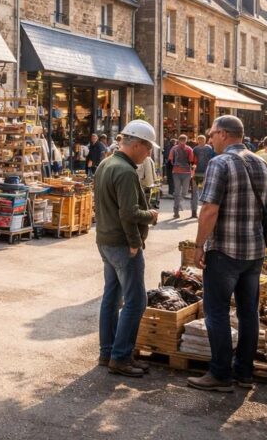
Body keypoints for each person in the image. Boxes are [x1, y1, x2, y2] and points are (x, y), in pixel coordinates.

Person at [189, 115, 267, 393]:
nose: (210, 138)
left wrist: (199, 244)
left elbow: (209, 210)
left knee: (216, 311)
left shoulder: (220, 163)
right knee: (248, 311)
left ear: (224, 134)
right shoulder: (262, 163)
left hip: (225, 250)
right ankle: (244, 373)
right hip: (254, 250)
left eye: (212, 133)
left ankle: (220, 374)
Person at [94, 120, 160, 377]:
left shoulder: (106, 164)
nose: (149, 154)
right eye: (148, 148)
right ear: (137, 144)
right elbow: (129, 213)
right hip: (122, 243)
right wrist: (149, 218)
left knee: (112, 297)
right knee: (135, 301)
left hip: (106, 240)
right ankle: (120, 357)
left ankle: (107, 352)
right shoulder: (125, 171)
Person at [169, 134, 197, 219]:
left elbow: (191, 161)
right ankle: (176, 211)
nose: (182, 142)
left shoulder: (188, 149)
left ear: (186, 140)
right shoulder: (174, 149)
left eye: (184, 140)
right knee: (178, 192)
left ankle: (179, 203)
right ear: (179, 140)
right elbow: (171, 159)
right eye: (181, 140)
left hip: (186, 172)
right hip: (178, 172)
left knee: (184, 192)